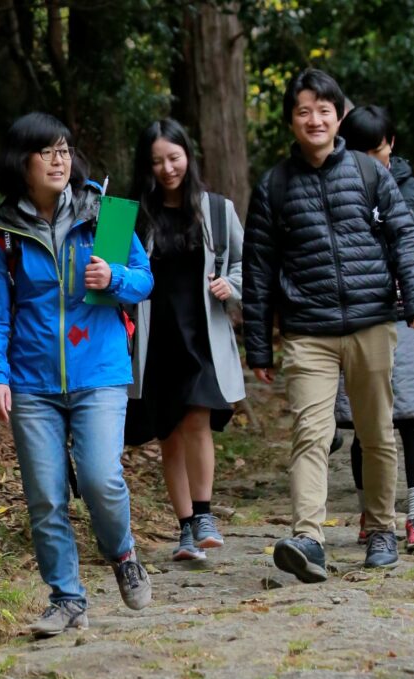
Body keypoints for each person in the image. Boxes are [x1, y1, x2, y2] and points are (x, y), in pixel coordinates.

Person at [242, 68, 414, 580]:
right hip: (308, 331)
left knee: (377, 433)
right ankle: (309, 538)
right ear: (291, 121)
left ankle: (381, 530)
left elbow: (404, 240)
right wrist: (258, 346)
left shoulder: (371, 175)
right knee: (311, 433)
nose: (314, 119)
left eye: (323, 110)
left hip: (372, 322)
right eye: (303, 111)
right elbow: (258, 269)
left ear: (338, 117)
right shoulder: (274, 186)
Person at [0, 112, 154, 638]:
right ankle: (67, 597)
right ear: (22, 163)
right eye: (47, 152)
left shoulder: (107, 216)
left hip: (98, 370)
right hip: (31, 381)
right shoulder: (3, 234)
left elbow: (144, 281)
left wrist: (115, 276)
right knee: (46, 495)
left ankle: (122, 553)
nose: (60, 161)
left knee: (101, 477)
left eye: (65, 151)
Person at [334, 105, 414, 551]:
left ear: (391, 144)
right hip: (356, 318)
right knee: (366, 423)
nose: (373, 158)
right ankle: (374, 516)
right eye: (362, 150)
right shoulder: (332, 187)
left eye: (379, 148)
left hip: (412, 317)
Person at [125, 119, 246, 561]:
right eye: (157, 161)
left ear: (188, 156)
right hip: (152, 340)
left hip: (202, 336)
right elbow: (105, 274)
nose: (167, 168)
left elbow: (244, 265)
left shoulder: (216, 208)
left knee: (196, 421)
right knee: (169, 434)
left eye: (174, 158)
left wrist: (229, 288)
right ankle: (184, 529)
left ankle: (204, 513)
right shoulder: (128, 214)